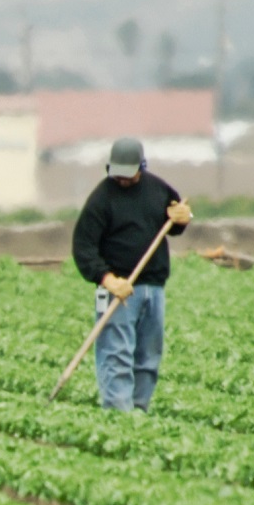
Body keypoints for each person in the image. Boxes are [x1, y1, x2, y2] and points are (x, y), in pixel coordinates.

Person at [71, 136, 192, 412]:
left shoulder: (158, 190)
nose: (123, 181)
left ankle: (138, 411)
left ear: (142, 166)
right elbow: (83, 247)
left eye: (129, 175)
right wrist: (108, 279)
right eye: (118, 175)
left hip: (153, 286)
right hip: (118, 289)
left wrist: (183, 218)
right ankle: (117, 413)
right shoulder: (102, 198)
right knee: (116, 353)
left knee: (148, 356)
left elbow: (173, 222)